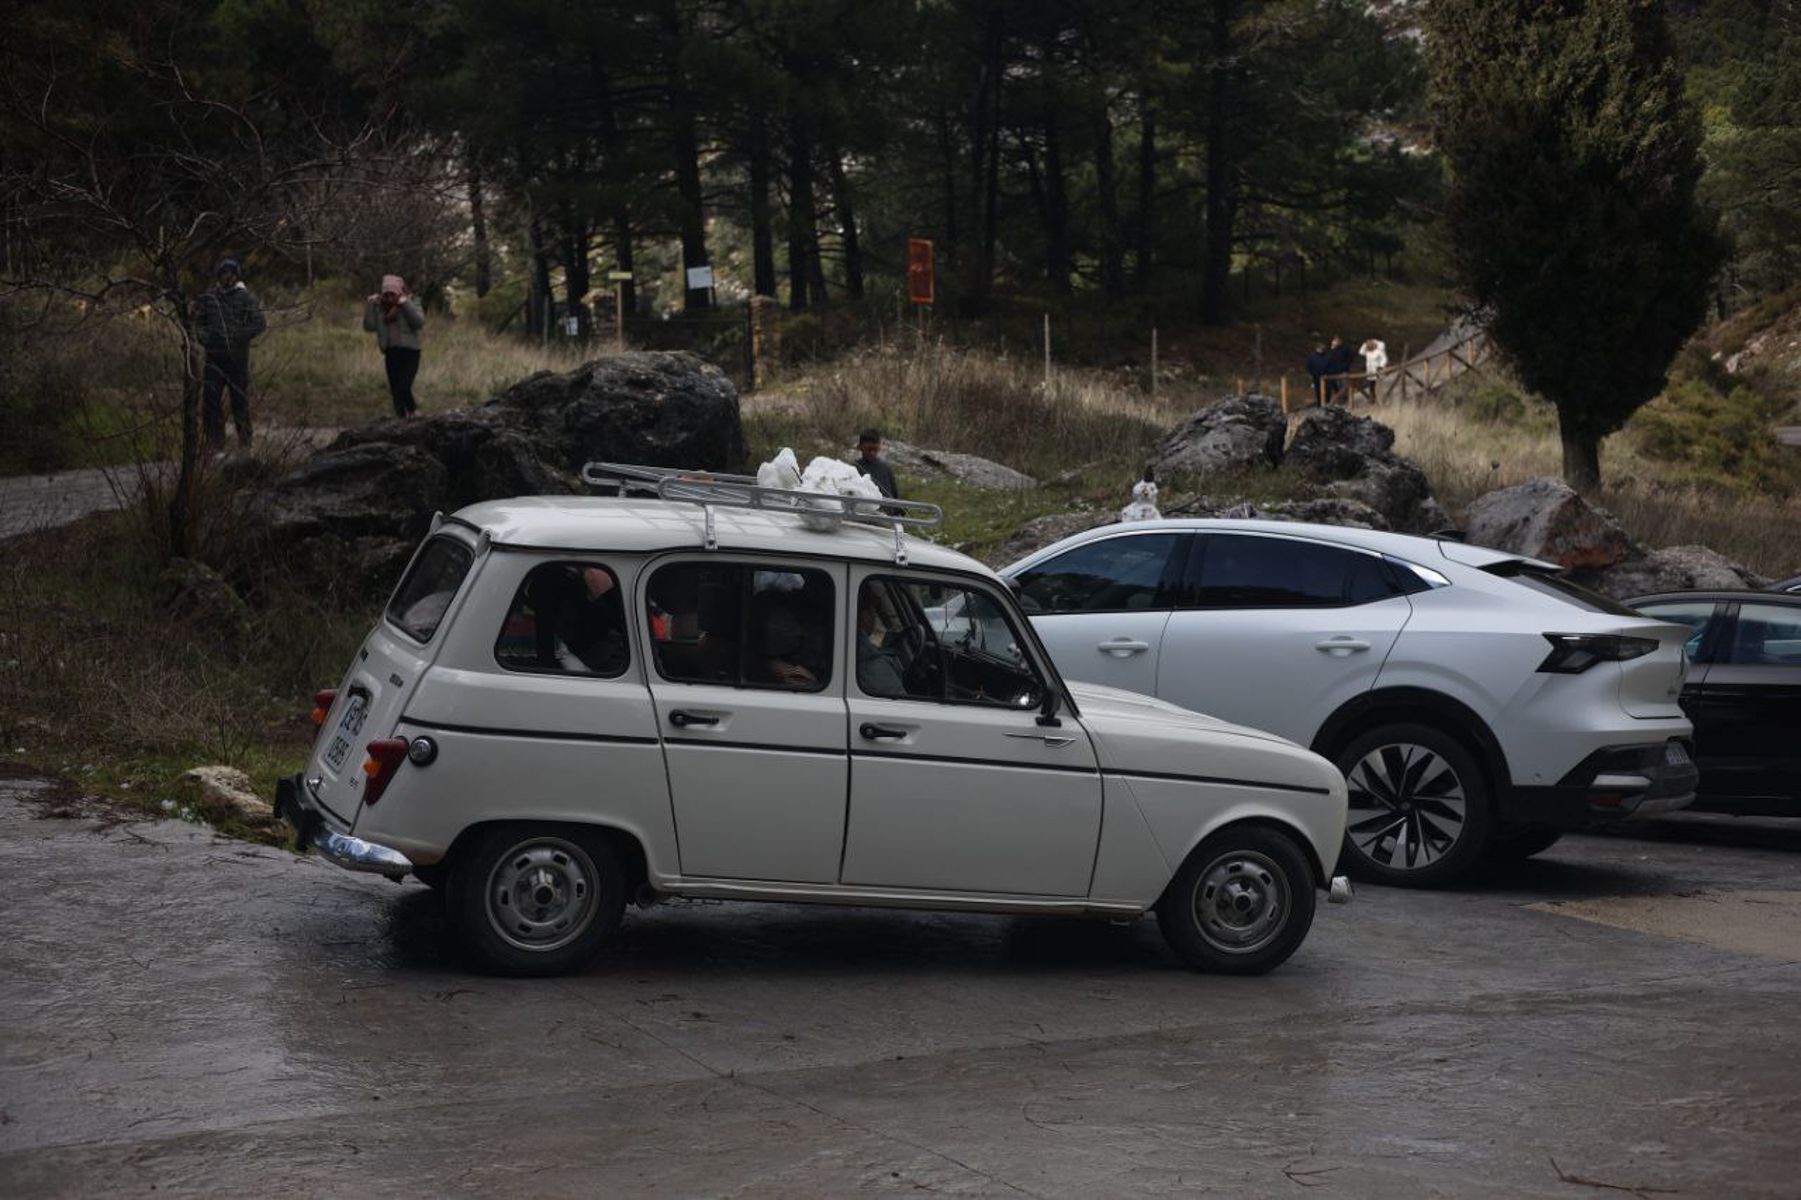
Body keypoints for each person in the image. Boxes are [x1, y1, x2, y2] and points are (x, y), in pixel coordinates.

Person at [196, 256, 266, 450]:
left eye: (231, 273)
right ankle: (214, 444)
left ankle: (245, 445)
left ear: (236, 276)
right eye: (224, 273)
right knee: (211, 402)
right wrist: (205, 339)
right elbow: (198, 323)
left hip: (237, 360)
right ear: (219, 275)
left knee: (239, 403)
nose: (228, 276)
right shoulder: (209, 298)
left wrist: (239, 336)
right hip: (214, 359)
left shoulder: (245, 297)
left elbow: (259, 323)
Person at [364, 274, 425, 418]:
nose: (389, 297)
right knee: (395, 389)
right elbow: (370, 326)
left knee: (404, 386)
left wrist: (405, 304)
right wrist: (370, 305)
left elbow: (419, 322)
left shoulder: (412, 301)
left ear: (399, 292)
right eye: (386, 294)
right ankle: (401, 418)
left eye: (393, 293)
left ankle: (412, 411)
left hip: (410, 352)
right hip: (391, 352)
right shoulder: (379, 307)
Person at [856, 590, 908, 698]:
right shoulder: (873, 666)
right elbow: (901, 702)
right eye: (873, 612)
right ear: (864, 614)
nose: (874, 617)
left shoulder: (854, 647)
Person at [852, 429, 900, 500]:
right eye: (869, 449)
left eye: (875, 449)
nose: (872, 453)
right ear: (860, 447)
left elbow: (895, 495)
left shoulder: (886, 468)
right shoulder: (853, 469)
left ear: (879, 447)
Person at [1324, 335, 1355, 403]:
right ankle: (1341, 400)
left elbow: (1351, 357)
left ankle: (1333, 401)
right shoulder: (1332, 350)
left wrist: (1346, 365)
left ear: (1340, 341)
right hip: (1335, 372)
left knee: (1344, 387)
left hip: (1343, 370)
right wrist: (1332, 349)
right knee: (1338, 387)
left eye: (1336, 340)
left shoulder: (1346, 348)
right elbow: (1328, 359)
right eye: (1334, 340)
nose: (1334, 342)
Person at [1304, 341, 1330, 407]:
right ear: (1317, 348)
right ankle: (1319, 405)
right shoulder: (1312, 356)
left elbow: (1330, 364)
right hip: (1316, 376)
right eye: (1320, 348)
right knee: (1318, 391)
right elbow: (1308, 366)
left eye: (1323, 348)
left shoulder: (1327, 356)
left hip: (1326, 376)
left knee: (1327, 390)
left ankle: (1327, 404)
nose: (1321, 350)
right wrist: (1311, 374)